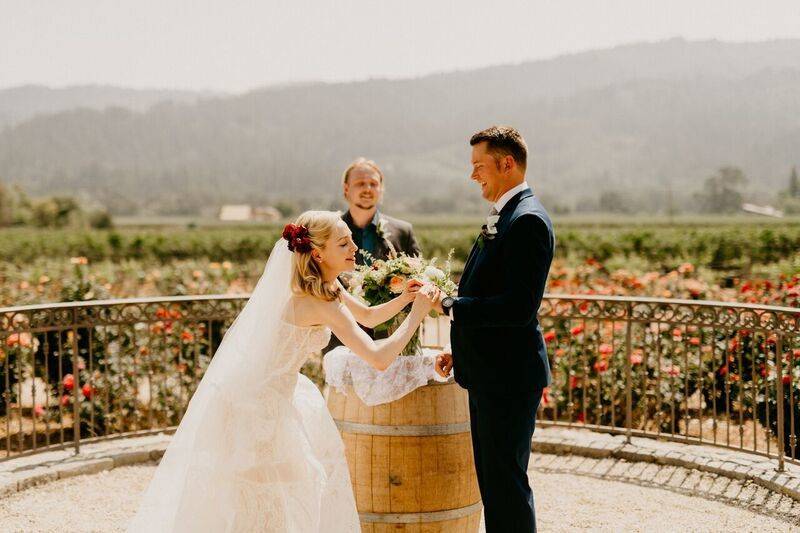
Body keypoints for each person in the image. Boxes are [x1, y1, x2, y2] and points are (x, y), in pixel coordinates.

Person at [129, 210, 439, 532]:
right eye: (344, 243)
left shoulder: (327, 287)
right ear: (318, 253)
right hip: (258, 406)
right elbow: (378, 357)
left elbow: (369, 317)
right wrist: (417, 313)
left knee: (284, 490)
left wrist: (405, 298)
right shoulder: (320, 301)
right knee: (270, 493)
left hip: (272, 394)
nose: (354, 249)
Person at [434, 126, 555, 532]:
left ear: (506, 163)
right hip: (491, 372)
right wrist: (464, 348)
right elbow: (491, 292)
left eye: (478, 166)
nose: (473, 176)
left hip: (508, 378)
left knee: (506, 484)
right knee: (494, 482)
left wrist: (449, 306)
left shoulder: (527, 221)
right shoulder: (508, 214)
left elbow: (518, 308)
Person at [340, 157, 420, 264]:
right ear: (346, 189)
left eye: (373, 184)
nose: (367, 189)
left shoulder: (404, 232)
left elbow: (420, 277)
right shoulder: (330, 231)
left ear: (381, 189)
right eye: (360, 183)